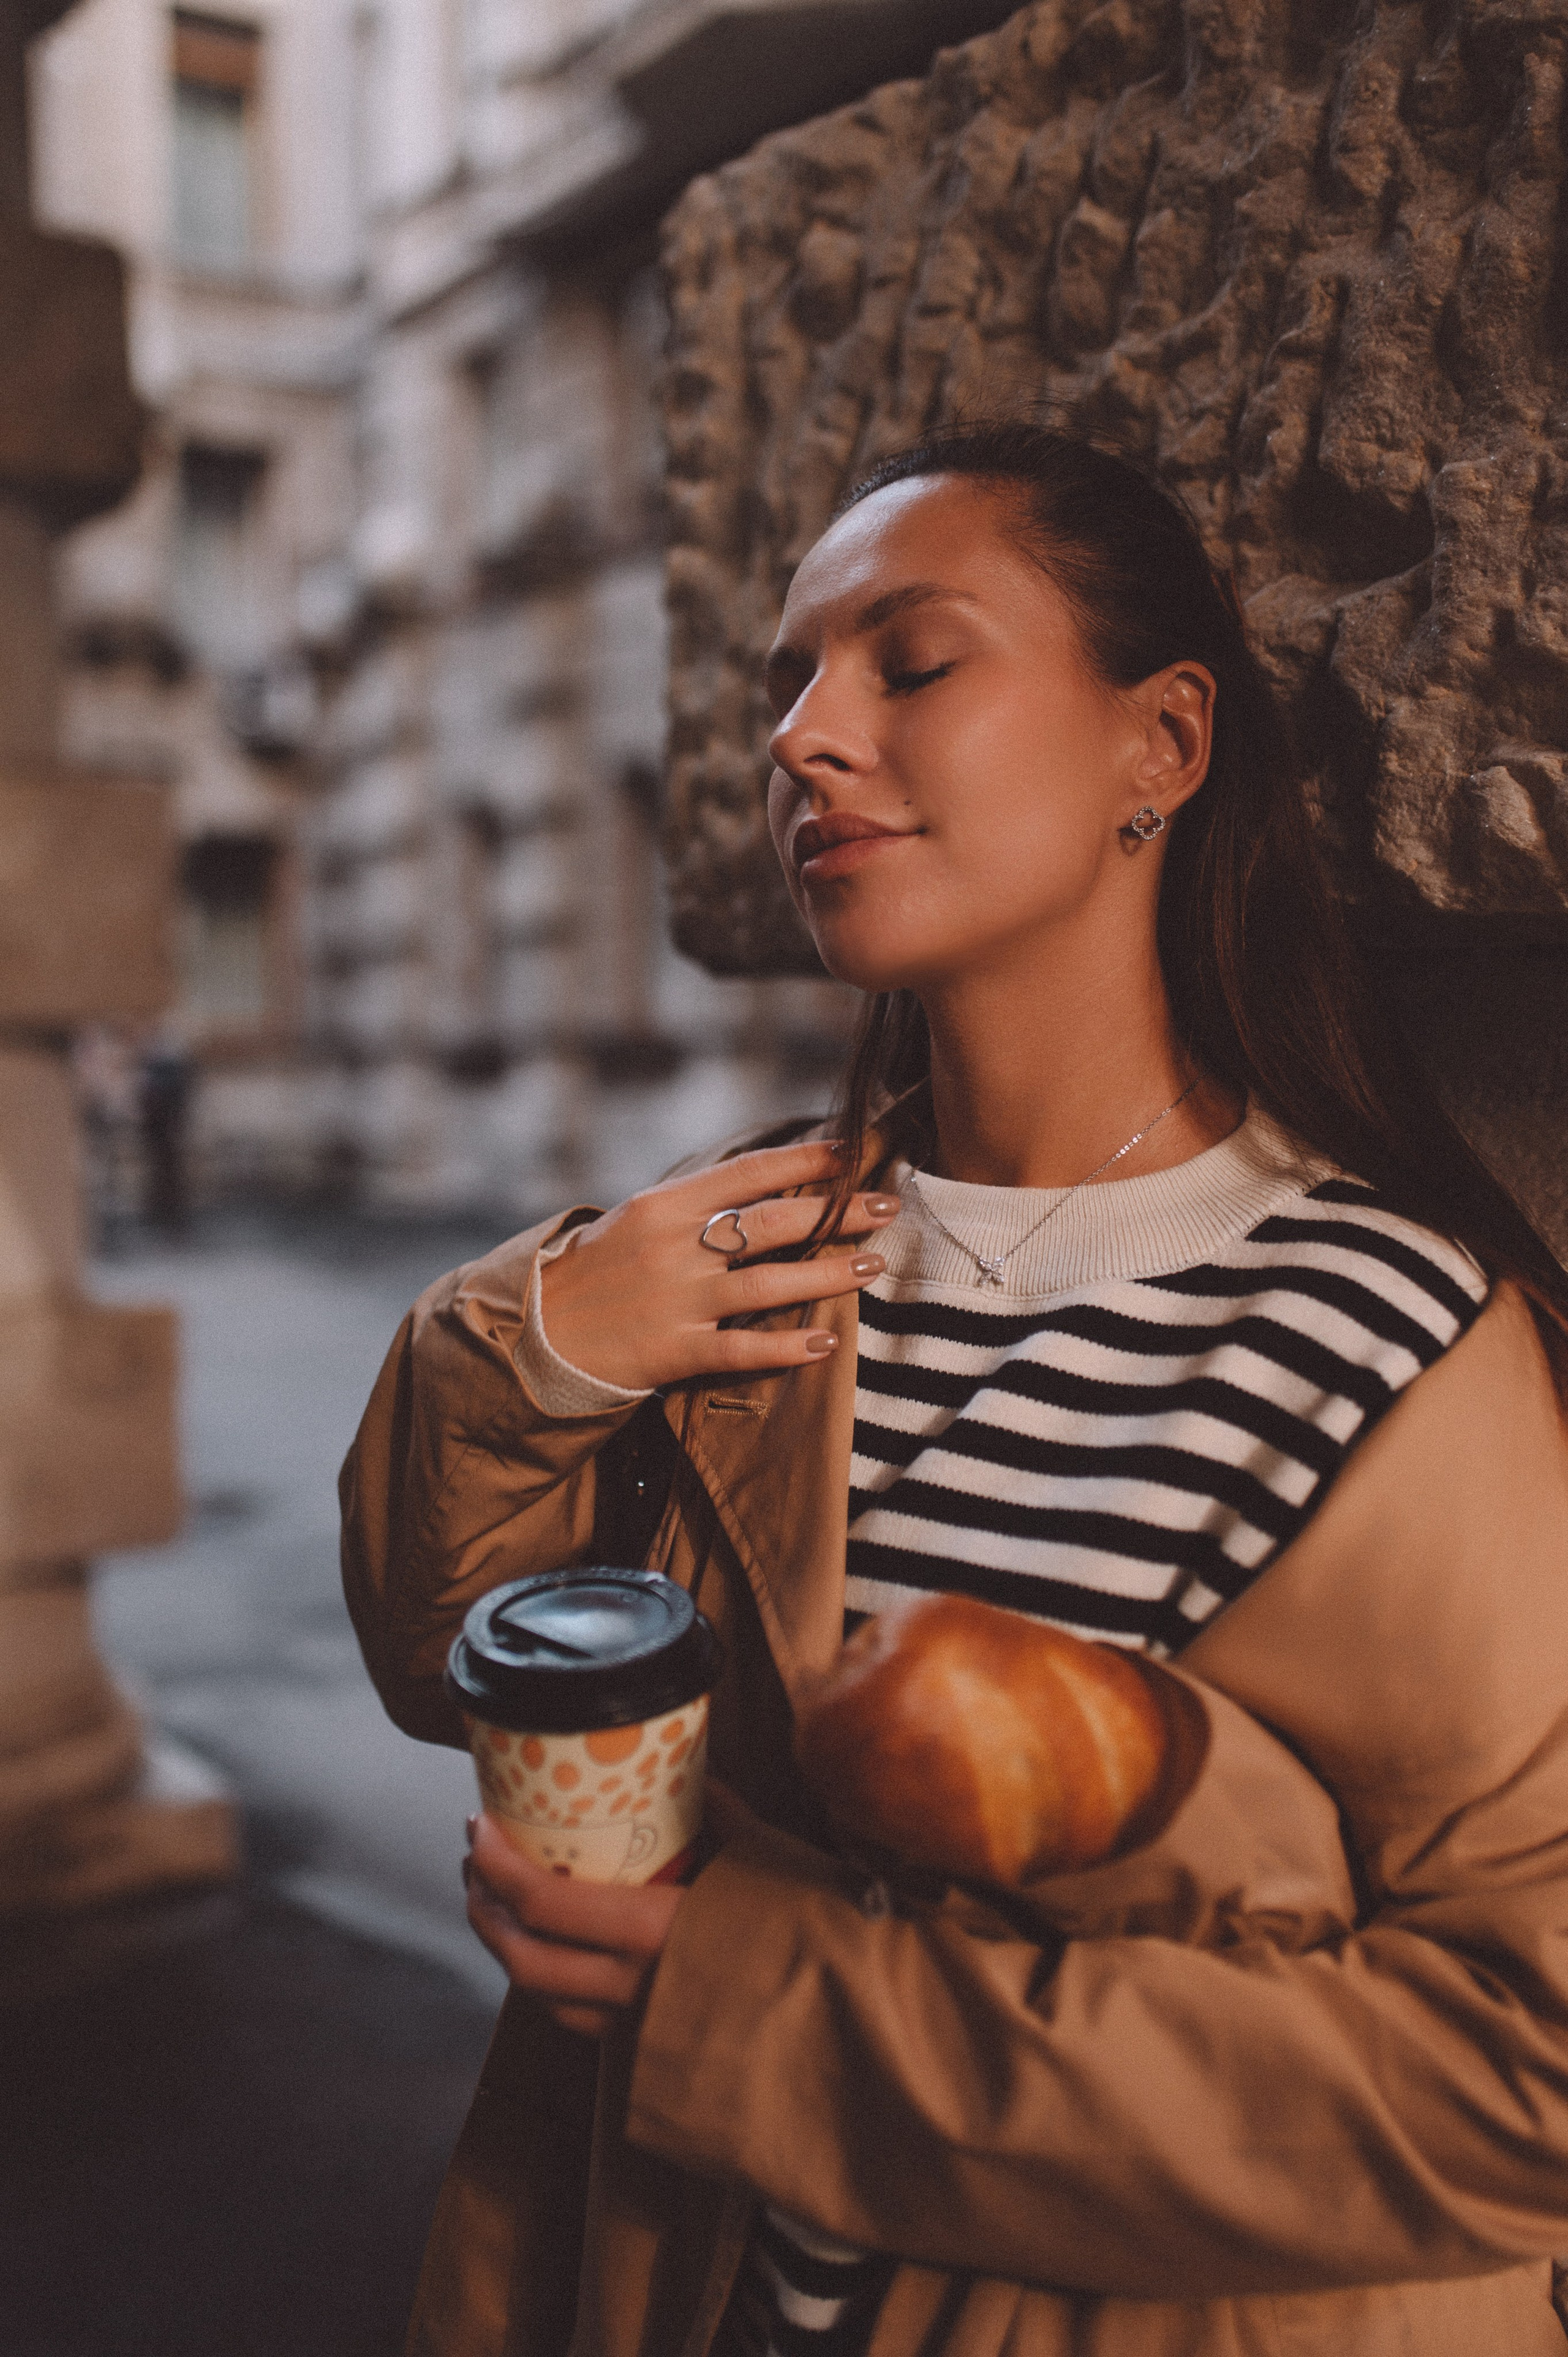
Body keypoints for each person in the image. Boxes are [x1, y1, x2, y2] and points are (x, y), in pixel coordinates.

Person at [340, 425, 1568, 2357]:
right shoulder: (738, 1248)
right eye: (788, 687)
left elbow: (1518, 2070)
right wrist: (535, 1341)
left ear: (1162, 746)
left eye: (911, 663)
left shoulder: (1383, 1335)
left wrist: (740, 2003)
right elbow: (452, 1670)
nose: (802, 739)